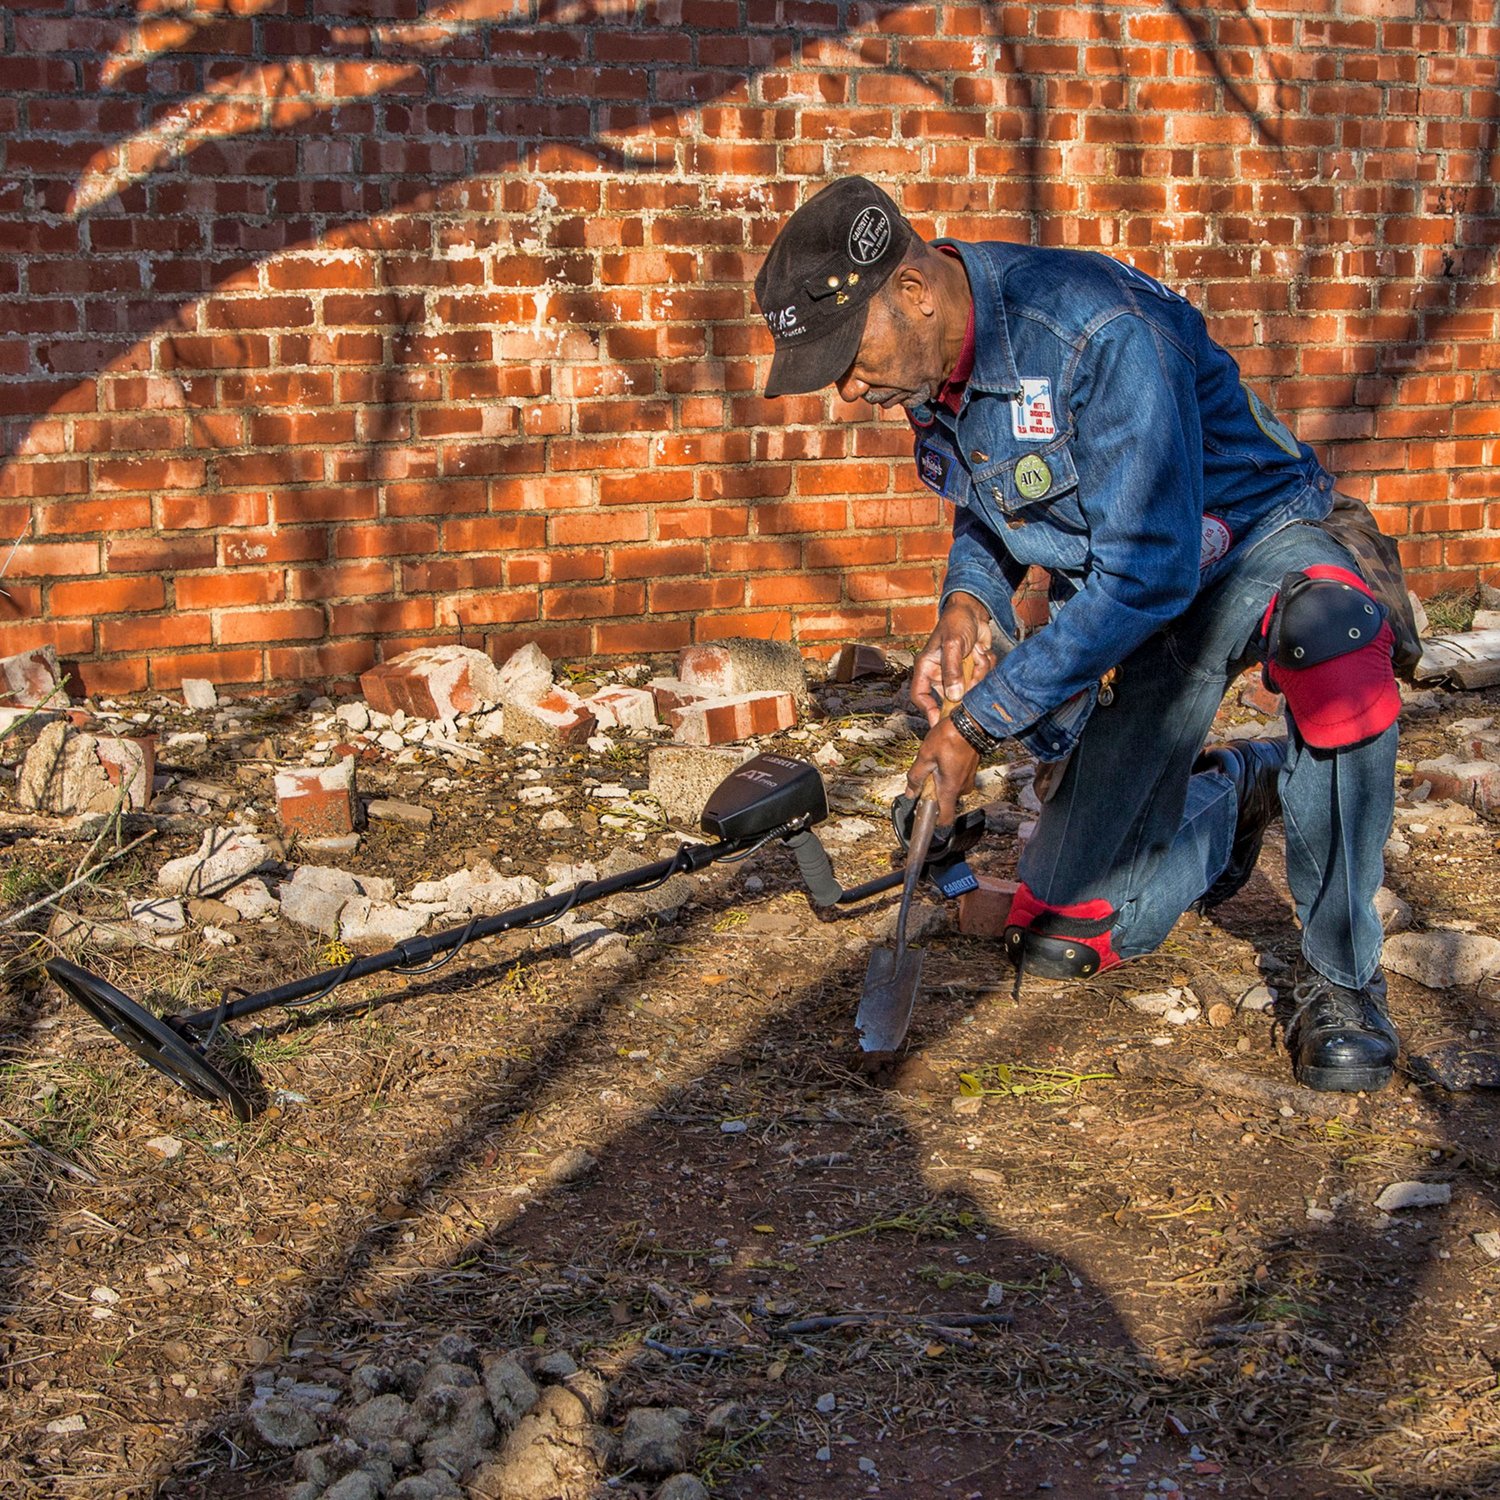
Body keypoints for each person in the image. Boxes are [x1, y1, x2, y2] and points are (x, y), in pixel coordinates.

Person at [753, 176, 1414, 1093]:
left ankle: (1343, 980)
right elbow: (990, 499)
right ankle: (1242, 789)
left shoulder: (1093, 333)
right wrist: (968, 604)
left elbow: (1150, 569)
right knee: (1073, 930)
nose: (849, 387)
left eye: (849, 358)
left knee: (1331, 633)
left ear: (912, 289)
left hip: (1258, 543)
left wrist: (976, 724)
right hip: (1148, 601)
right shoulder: (933, 359)